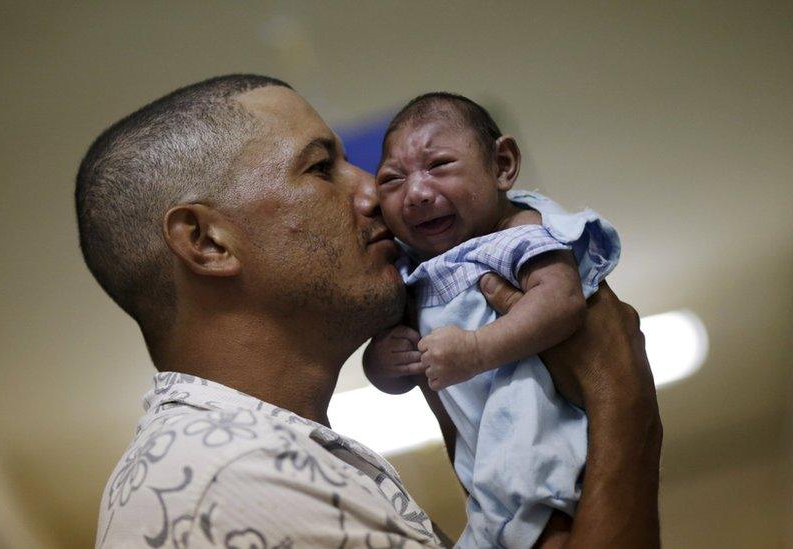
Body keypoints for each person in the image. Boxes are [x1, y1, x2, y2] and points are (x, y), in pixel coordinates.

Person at [75, 74, 662, 548]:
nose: (373, 193)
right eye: (320, 167)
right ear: (207, 241)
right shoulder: (232, 478)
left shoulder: (247, 463)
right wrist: (621, 401)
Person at [363, 92, 621, 547]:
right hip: (485, 474)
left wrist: (477, 350)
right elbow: (398, 381)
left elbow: (561, 302)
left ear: (502, 165)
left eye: (439, 165)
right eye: (392, 179)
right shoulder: (412, 272)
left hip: (544, 442)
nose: (417, 194)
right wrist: (383, 363)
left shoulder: (516, 233)